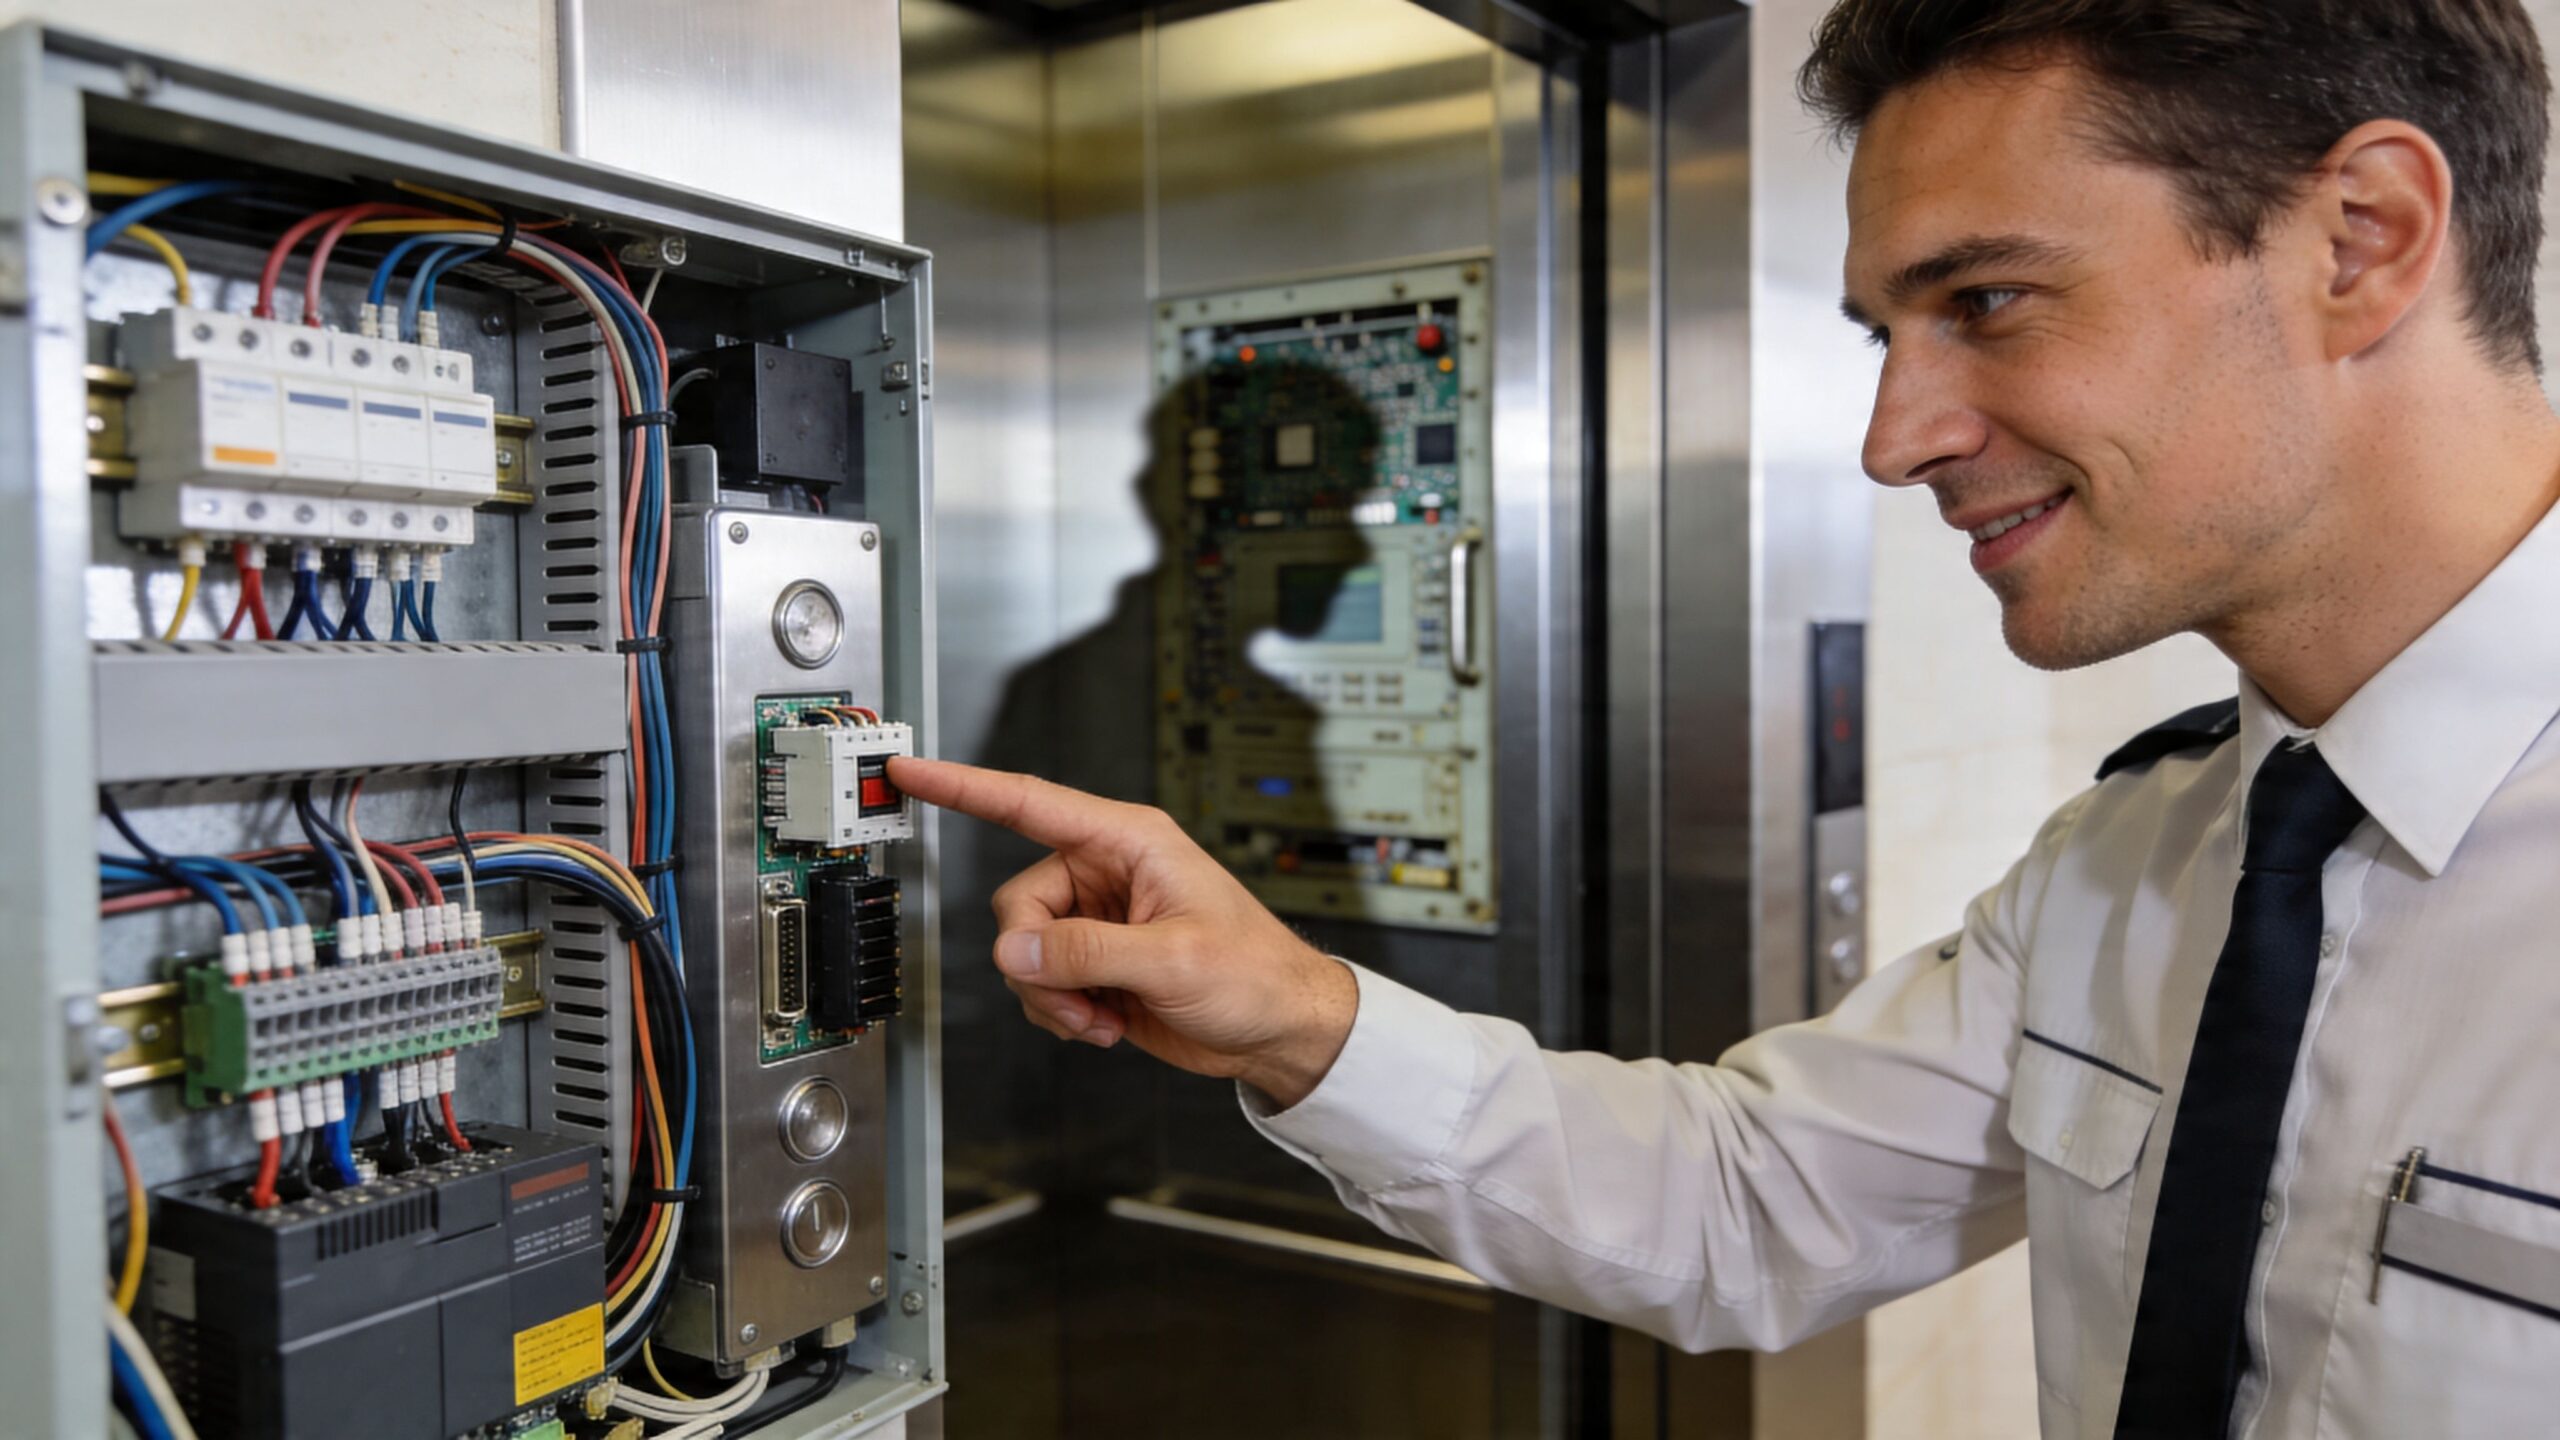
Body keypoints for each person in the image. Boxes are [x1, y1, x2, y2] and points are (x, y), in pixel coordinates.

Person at [892, 2, 2560, 1434]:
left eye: (1985, 301)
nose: (1893, 439)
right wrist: (1300, 1019)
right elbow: (1749, 1202)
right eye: (1883, 333)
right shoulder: (2143, 860)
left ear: (2363, 238)